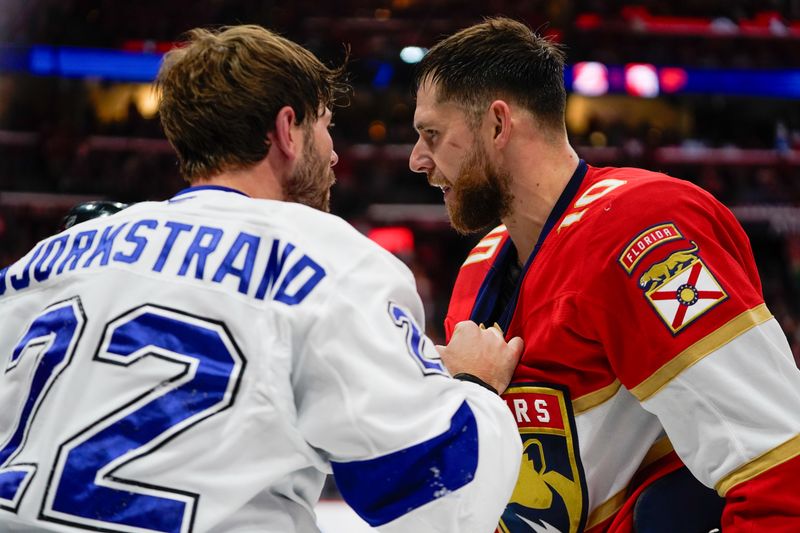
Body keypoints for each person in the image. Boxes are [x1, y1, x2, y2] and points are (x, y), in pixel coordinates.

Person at [0, 25, 524, 533]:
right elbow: (440, 504)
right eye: (325, 127)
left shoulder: (44, 262)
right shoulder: (330, 260)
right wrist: (473, 386)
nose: (336, 154)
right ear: (286, 130)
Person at [409, 17, 800, 533]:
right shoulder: (479, 267)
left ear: (498, 125)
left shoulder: (646, 231)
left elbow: (780, 467)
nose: (418, 160)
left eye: (432, 135)